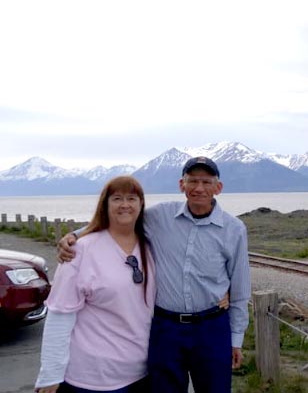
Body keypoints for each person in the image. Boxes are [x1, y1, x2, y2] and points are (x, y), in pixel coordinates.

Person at [57, 157, 251, 393]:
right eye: (192, 181)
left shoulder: (234, 229)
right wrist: (76, 236)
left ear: (218, 188)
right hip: (165, 329)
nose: (199, 188)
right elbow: (119, 220)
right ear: (182, 184)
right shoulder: (159, 217)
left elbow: (240, 291)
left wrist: (236, 339)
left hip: (211, 328)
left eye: (206, 182)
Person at [36, 176, 155, 393]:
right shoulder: (80, 251)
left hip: (142, 372)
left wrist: (224, 293)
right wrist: (50, 375)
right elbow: (60, 316)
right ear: (105, 205)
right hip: (94, 377)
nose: (125, 204)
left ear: (142, 205)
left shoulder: (150, 245)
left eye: (132, 198)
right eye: (117, 198)